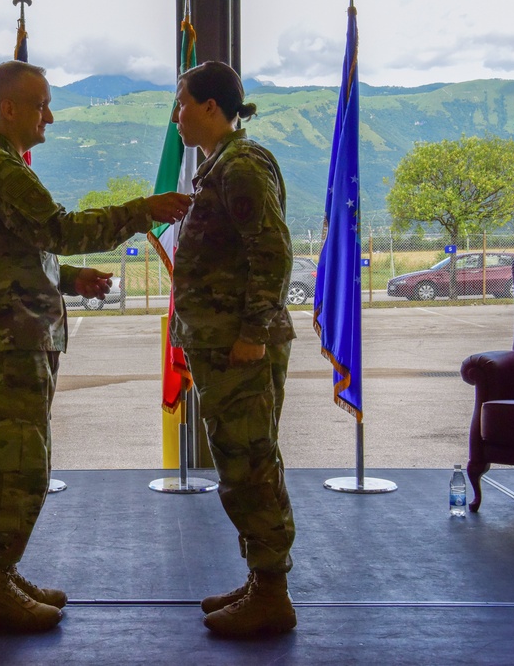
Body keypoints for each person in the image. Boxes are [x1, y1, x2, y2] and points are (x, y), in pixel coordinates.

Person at [0, 60, 191, 632]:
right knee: (14, 467)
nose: (50, 117)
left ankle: (2, 572)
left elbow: (18, 251)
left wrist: (67, 278)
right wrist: (140, 211)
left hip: (16, 335)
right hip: (9, 342)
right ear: (8, 108)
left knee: (17, 463)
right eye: (41, 105)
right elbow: (57, 229)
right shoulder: (1, 170)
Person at [169, 61, 298, 637]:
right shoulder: (221, 165)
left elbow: (271, 252)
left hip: (238, 345)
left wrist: (249, 333)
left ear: (211, 108)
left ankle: (272, 592)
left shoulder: (241, 166)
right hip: (219, 343)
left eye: (182, 104)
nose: (177, 116)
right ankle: (260, 578)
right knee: (239, 461)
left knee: (250, 465)